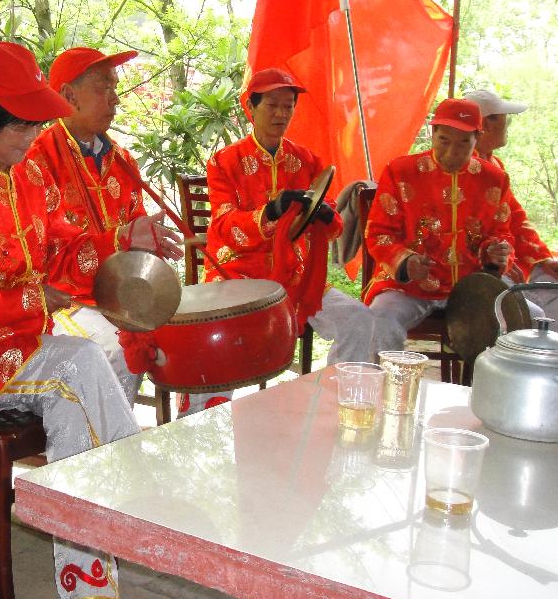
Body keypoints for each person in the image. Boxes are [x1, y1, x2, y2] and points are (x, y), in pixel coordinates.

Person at [0, 41, 174, 599]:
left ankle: (90, 580)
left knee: (76, 397)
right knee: (81, 362)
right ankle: (140, 482)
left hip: (23, 349)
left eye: (35, 123)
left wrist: (125, 237)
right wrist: (32, 299)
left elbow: (67, 251)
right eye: (20, 125)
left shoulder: (28, 177)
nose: (32, 136)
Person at [203, 68, 390, 405]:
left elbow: (334, 226)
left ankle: (338, 405)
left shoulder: (306, 160)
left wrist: (325, 215)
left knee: (359, 319)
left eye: (288, 106)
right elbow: (224, 226)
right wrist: (270, 212)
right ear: (250, 107)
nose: (281, 114)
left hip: (297, 277)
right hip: (238, 275)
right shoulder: (224, 162)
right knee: (217, 335)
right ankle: (204, 417)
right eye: (272, 105)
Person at [27, 46, 185, 408]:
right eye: (103, 88)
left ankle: (176, 430)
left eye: (115, 88)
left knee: (189, 332)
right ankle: (108, 440)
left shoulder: (122, 160)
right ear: (68, 96)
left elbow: (137, 226)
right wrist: (123, 239)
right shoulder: (36, 161)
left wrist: (150, 245)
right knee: (114, 351)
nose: (115, 99)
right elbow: (46, 258)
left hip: (123, 296)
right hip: (66, 302)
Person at [365, 98, 524, 351]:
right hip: (408, 288)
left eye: (463, 143)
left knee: (527, 319)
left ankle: (485, 378)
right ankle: (386, 377)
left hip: (474, 289)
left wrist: (495, 253)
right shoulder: (400, 171)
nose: (452, 152)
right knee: (380, 319)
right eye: (444, 141)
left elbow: (502, 234)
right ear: (433, 133)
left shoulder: (494, 179)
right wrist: (405, 262)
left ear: (477, 138)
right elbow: (379, 233)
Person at [463, 89, 558, 333]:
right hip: (479, 267)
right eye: (505, 119)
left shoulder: (495, 164)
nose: (508, 125)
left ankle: (548, 351)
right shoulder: (468, 168)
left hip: (507, 258)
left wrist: (543, 258)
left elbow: (516, 219)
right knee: (532, 313)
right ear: (485, 125)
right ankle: (521, 348)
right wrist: (500, 262)